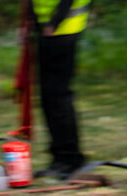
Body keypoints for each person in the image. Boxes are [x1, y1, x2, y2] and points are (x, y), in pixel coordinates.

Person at [30, 0, 90, 179]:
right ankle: (59, 159)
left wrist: (53, 23)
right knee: (49, 98)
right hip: (47, 30)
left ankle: (70, 160)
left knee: (58, 97)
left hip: (61, 29)